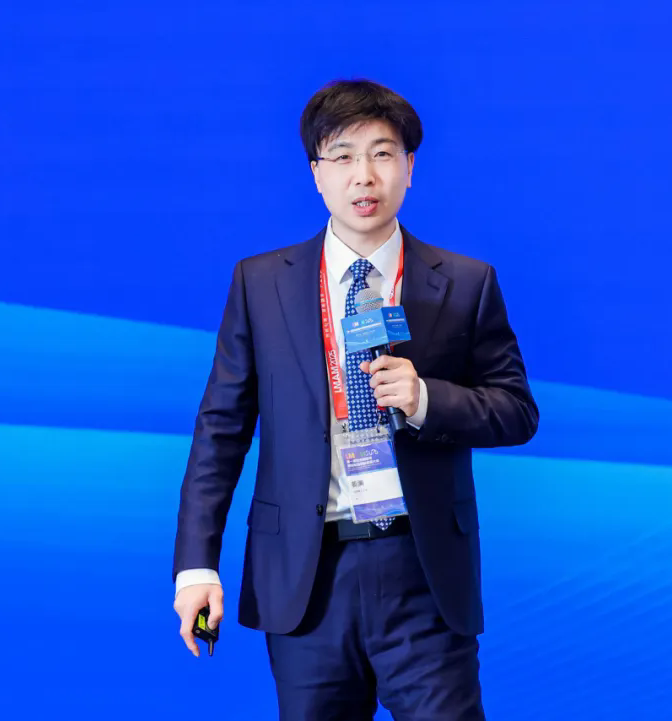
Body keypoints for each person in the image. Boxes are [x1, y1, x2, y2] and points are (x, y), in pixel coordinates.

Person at [172, 78, 538, 720]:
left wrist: (426, 400)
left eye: (382, 154)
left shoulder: (465, 282)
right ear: (317, 173)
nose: (364, 175)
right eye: (342, 156)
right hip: (307, 575)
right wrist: (196, 566)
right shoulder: (262, 283)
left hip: (422, 571)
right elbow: (220, 431)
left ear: (409, 168)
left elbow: (516, 411)